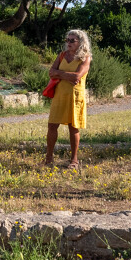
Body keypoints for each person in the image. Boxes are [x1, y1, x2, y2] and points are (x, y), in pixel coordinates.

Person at [44, 29, 91, 170]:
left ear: (80, 42)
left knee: (73, 127)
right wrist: (65, 75)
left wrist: (60, 74)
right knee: (52, 125)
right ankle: (48, 158)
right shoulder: (62, 55)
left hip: (75, 96)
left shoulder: (85, 58)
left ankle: (74, 160)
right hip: (59, 95)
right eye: (67, 40)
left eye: (72, 40)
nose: (68, 43)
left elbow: (77, 77)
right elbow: (51, 72)